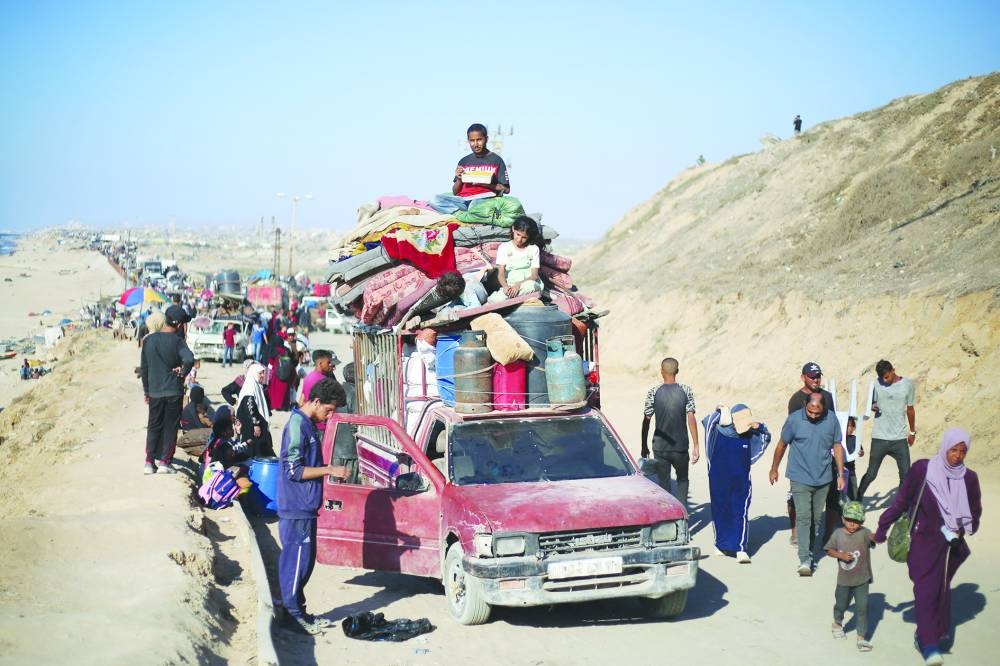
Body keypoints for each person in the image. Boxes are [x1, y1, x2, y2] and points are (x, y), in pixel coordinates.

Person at [874, 428, 981, 666]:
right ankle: (930, 640)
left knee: (939, 592)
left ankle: (927, 639)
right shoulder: (923, 469)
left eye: (963, 452)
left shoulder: (969, 478)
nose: (957, 456)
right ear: (945, 448)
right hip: (921, 542)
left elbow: (974, 511)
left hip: (949, 547)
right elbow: (901, 500)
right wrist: (882, 528)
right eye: (953, 450)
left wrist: (960, 529)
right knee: (926, 591)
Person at [277, 377, 349, 635]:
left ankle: (297, 609)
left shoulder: (307, 425)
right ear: (316, 401)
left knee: (304, 563)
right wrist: (329, 470)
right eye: (328, 410)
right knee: (296, 562)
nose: (329, 416)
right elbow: (293, 470)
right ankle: (294, 617)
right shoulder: (297, 425)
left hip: (305, 507)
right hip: (295, 507)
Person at [769, 392, 845, 576]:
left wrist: (841, 474)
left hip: (824, 477)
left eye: (817, 413)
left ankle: (809, 549)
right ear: (805, 406)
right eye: (810, 412)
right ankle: (804, 559)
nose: (812, 416)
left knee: (815, 520)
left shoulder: (832, 420)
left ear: (824, 409)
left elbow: (837, 446)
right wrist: (774, 468)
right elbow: (781, 445)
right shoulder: (794, 420)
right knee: (803, 516)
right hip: (799, 476)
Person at [703, 404, 770, 563]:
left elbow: (766, 436)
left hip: (741, 480)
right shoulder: (716, 433)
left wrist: (759, 426)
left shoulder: (749, 435)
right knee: (720, 510)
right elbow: (707, 421)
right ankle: (720, 545)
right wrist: (720, 411)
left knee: (740, 511)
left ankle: (740, 549)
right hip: (718, 479)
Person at [140, 304, 194, 475]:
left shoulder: (148, 340)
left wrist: (147, 391)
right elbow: (190, 359)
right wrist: (183, 372)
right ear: (178, 325)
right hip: (173, 391)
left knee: (153, 425)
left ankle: (149, 462)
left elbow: (145, 368)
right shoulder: (178, 341)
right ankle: (165, 462)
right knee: (170, 427)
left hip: (154, 391)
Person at [786, 361, 836, 545]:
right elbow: (791, 430)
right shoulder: (796, 400)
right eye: (812, 376)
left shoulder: (828, 397)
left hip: (825, 457)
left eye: (818, 376)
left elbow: (833, 425)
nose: (816, 379)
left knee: (832, 497)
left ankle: (828, 535)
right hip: (802, 459)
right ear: (803, 377)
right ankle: (795, 531)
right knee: (795, 497)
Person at [640, 357, 700, 509]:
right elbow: (691, 418)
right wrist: (696, 445)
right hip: (681, 446)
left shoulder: (653, 392)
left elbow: (646, 420)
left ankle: (668, 517)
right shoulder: (686, 391)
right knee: (682, 480)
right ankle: (682, 515)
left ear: (661, 372)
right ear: (677, 371)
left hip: (660, 448)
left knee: (664, 483)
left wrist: (644, 445)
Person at [858, 359, 916, 502]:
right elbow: (871, 404)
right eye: (882, 378)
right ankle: (857, 499)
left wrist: (912, 432)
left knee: (906, 475)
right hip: (879, 437)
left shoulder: (907, 385)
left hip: (899, 438)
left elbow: (910, 410)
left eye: (887, 377)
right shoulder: (876, 384)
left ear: (893, 370)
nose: (884, 380)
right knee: (871, 474)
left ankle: (900, 506)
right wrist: (873, 406)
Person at [825, 500, 876, 652]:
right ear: (843, 519)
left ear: (862, 521)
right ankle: (837, 623)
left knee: (862, 607)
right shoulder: (838, 534)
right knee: (841, 604)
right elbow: (829, 550)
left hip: (862, 579)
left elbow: (874, 539)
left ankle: (861, 637)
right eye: (849, 520)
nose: (852, 524)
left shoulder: (865, 533)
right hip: (844, 580)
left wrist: (878, 536)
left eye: (856, 521)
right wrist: (840, 554)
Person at [430, 123, 511, 214]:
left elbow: (506, 190)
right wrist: (459, 179)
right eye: (472, 140)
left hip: (484, 199)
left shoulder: (496, 160)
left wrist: (484, 184)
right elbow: (455, 192)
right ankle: (461, 214)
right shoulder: (464, 161)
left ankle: (468, 213)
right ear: (468, 141)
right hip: (463, 200)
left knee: (474, 206)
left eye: (479, 140)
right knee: (434, 200)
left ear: (486, 139)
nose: (475, 144)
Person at [486, 217, 544, 303]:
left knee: (531, 286)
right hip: (510, 286)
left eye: (524, 237)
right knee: (495, 299)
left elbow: (534, 276)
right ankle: (507, 298)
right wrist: (505, 287)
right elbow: (501, 274)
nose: (520, 239)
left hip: (528, 284)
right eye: (518, 234)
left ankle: (509, 300)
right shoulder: (504, 247)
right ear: (513, 229)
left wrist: (518, 285)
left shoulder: (533, 249)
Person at [236, 362, 275, 458]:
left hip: (255, 425)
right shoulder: (250, 387)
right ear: (253, 373)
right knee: (255, 449)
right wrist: (256, 424)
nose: (262, 375)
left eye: (263, 373)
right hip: (252, 427)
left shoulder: (256, 385)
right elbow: (250, 406)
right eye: (260, 373)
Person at [300, 349, 341, 421]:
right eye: (330, 364)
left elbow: (301, 401)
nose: (334, 368)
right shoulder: (324, 380)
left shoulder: (309, 377)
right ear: (321, 363)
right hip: (320, 424)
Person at [267, 329, 298, 411]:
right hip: (286, 373)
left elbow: (270, 363)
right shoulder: (287, 350)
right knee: (284, 390)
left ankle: (276, 406)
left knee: (275, 391)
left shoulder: (273, 350)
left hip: (276, 374)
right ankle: (285, 406)